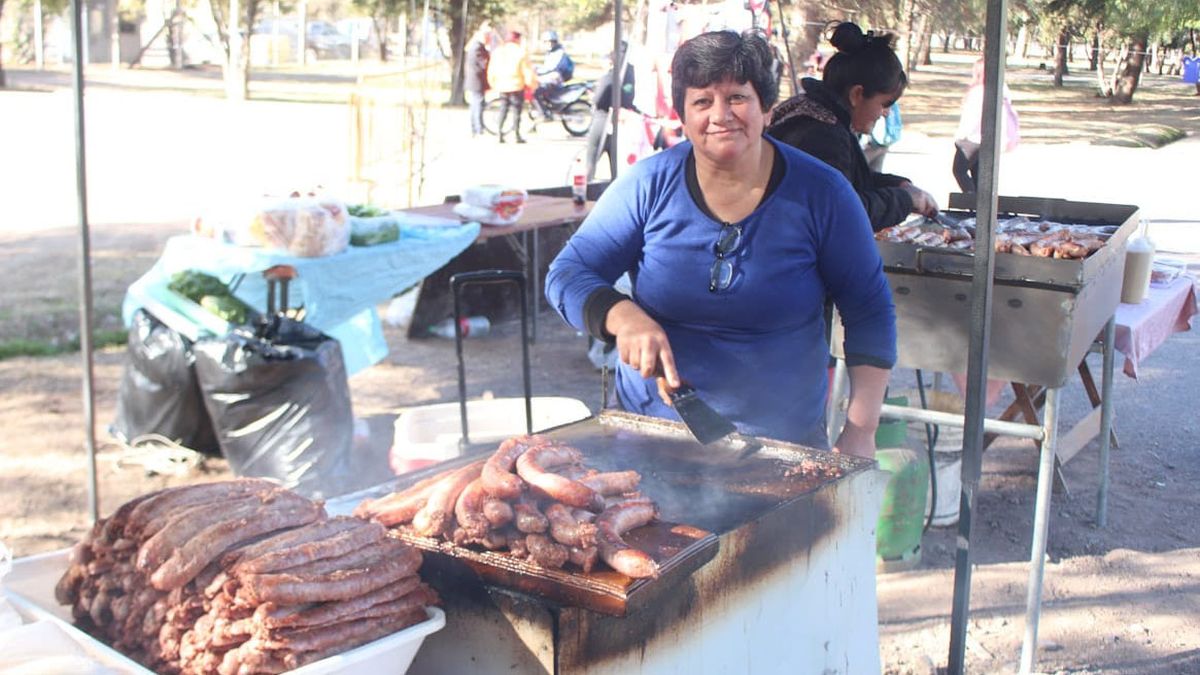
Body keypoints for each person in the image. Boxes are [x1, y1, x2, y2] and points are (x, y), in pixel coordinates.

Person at [545, 30, 897, 458]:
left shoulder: (823, 193)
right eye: (702, 101)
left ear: (766, 107)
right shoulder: (648, 184)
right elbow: (567, 273)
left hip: (780, 447)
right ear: (682, 114)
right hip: (651, 435)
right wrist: (621, 315)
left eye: (737, 97)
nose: (720, 115)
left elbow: (869, 309)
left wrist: (861, 429)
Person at [767, 22, 938, 231]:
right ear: (857, 95)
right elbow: (843, 213)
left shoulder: (820, 115)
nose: (885, 113)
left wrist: (899, 185)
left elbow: (847, 182)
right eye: (884, 104)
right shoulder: (822, 135)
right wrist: (905, 200)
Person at [953, 57, 1020, 192]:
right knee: (978, 176)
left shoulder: (978, 91)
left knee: (959, 171)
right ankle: (979, 200)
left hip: (972, 139)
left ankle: (971, 200)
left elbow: (972, 118)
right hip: (988, 140)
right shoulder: (1001, 90)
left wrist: (961, 136)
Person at [585, 41, 639, 180]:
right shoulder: (630, 72)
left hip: (604, 118)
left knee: (591, 160)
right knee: (617, 167)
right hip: (622, 122)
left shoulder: (613, 74)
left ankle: (586, 186)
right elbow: (629, 96)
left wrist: (593, 96)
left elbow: (598, 99)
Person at [487, 30, 535, 144]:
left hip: (502, 85)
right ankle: (516, 135)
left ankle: (499, 133)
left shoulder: (498, 52)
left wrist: (493, 83)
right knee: (516, 111)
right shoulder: (521, 52)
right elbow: (527, 71)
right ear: (517, 39)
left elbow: (491, 70)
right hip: (516, 85)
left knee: (503, 109)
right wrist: (532, 84)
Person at [533, 30, 574, 119]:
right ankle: (548, 109)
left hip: (555, 79)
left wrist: (538, 70)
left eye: (551, 42)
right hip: (550, 78)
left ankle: (544, 114)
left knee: (536, 92)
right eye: (546, 42)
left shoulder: (559, 53)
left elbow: (552, 67)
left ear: (555, 41)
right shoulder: (551, 52)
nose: (549, 44)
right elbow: (547, 66)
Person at [464, 23, 493, 137]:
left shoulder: (477, 46)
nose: (490, 39)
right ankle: (478, 128)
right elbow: (483, 64)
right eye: (488, 36)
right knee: (477, 104)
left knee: (476, 104)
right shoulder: (477, 48)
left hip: (476, 81)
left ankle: (476, 127)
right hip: (476, 81)